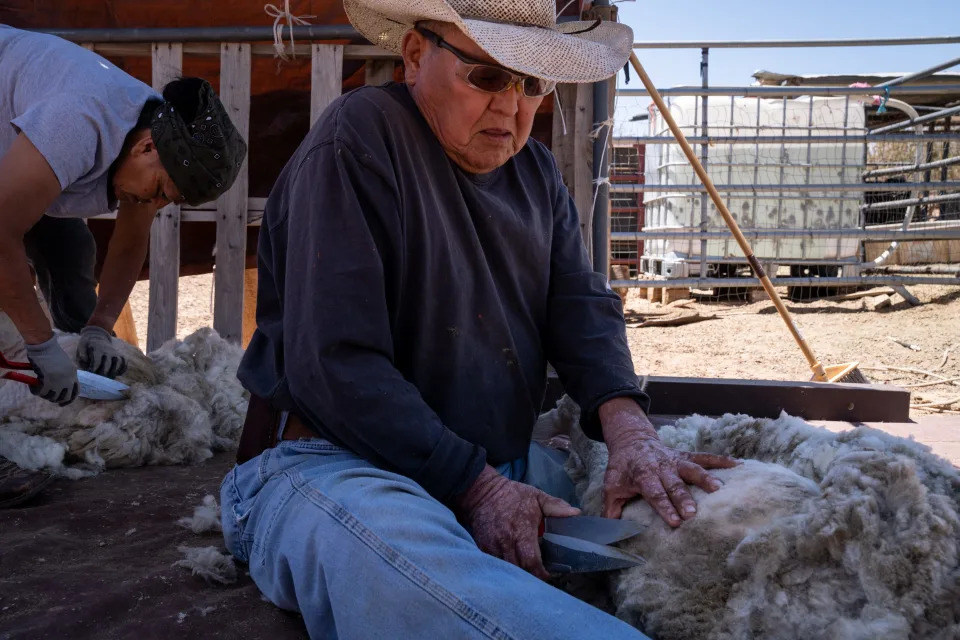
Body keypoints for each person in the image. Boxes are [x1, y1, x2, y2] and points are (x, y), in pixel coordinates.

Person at [223, 0, 736, 637]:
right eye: (488, 76)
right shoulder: (357, 138)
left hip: (491, 466)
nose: (510, 107)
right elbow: (335, 362)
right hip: (333, 465)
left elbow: (578, 306)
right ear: (415, 56)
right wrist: (478, 490)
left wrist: (629, 430)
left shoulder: (535, 170)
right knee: (466, 603)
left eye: (531, 84)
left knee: (699, 527)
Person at [0, 25, 247, 507]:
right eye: (158, 192)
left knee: (71, 254)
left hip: (23, 156)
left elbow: (131, 240)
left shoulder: (156, 136)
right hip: (23, 148)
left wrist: (99, 327)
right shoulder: (81, 121)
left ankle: (70, 390)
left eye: (165, 202)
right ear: (146, 148)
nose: (152, 203)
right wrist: (38, 342)